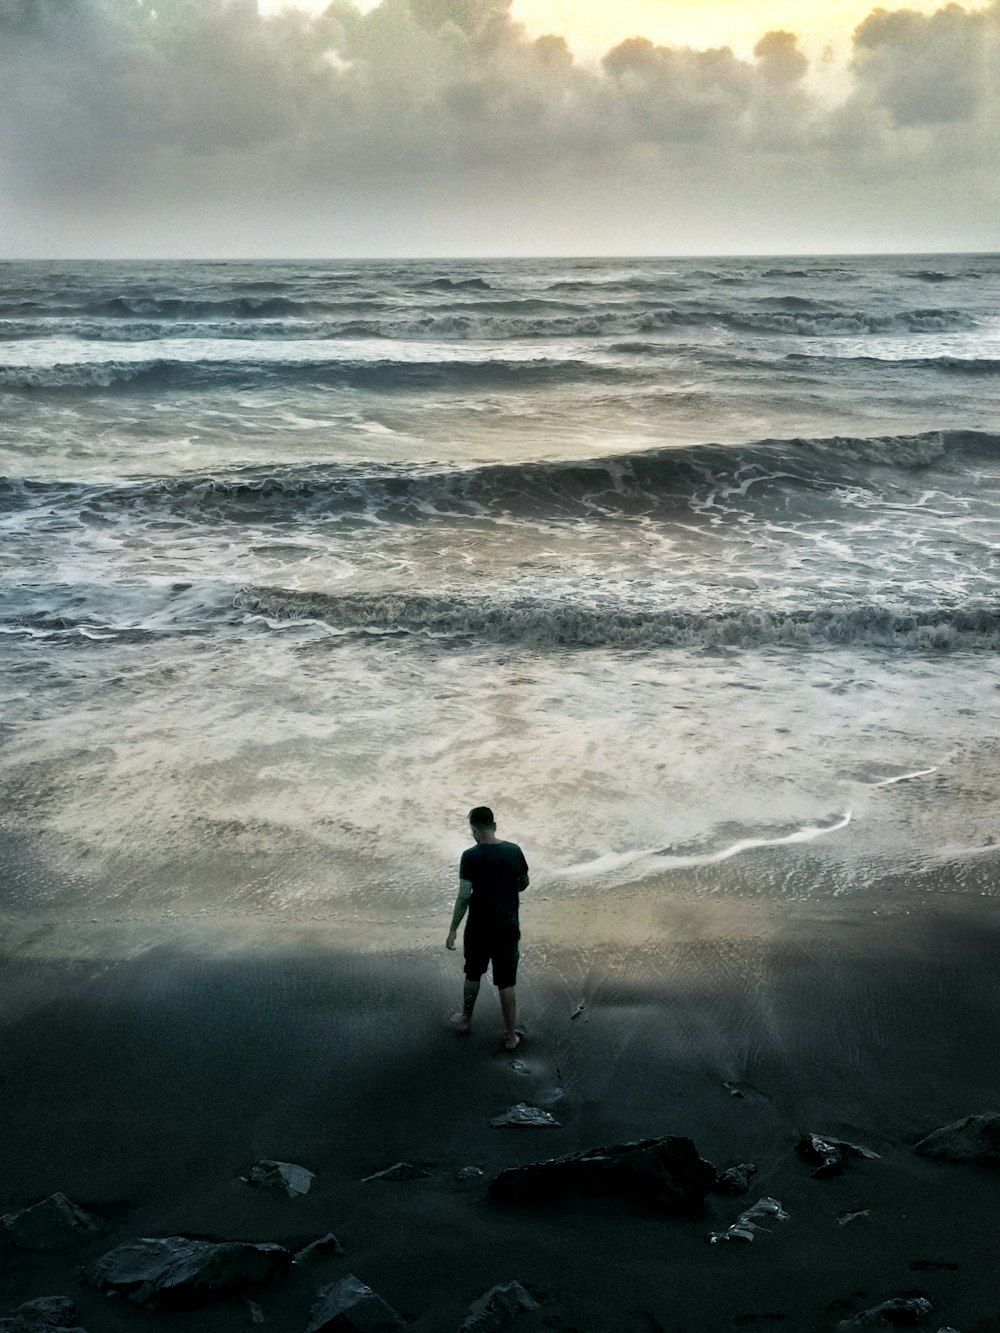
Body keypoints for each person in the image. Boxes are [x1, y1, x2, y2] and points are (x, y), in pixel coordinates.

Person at [446, 805, 529, 1051]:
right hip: (507, 925)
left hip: (479, 927)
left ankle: (465, 1019)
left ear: (474, 829)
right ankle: (511, 1037)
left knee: (473, 973)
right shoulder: (514, 851)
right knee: (506, 981)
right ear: (494, 825)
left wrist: (452, 930)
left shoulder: (470, 856)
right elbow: (523, 883)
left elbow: (463, 897)